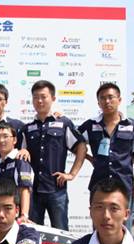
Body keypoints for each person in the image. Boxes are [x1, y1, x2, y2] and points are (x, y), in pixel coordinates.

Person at [78, 82, 134, 230]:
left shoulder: (131, 125)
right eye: (102, 98)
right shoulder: (90, 125)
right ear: (98, 102)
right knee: (99, 228)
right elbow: (72, 141)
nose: (107, 101)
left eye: (110, 97)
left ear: (119, 100)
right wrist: (89, 158)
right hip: (99, 184)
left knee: (124, 230)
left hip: (124, 185)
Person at [21, 80, 87, 231]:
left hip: (56, 190)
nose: (39, 101)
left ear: (53, 98)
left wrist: (72, 174)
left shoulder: (63, 123)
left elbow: (81, 147)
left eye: (43, 97)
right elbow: (20, 154)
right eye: (35, 97)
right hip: (33, 191)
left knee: (60, 232)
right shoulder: (27, 129)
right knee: (31, 233)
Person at [0, 121, 34, 223]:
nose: (1, 140)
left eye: (5, 136)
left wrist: (24, 215)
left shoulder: (20, 160)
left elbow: (25, 189)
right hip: (4, 218)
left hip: (19, 220)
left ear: (14, 140)